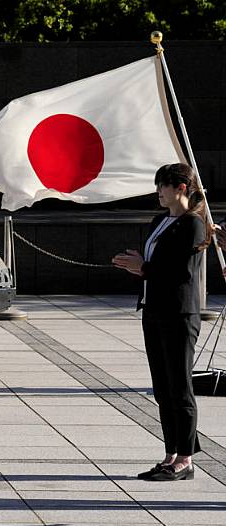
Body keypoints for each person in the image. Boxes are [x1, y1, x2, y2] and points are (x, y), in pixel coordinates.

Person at [112, 163, 210, 481]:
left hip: (180, 313)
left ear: (181, 187)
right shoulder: (160, 221)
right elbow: (156, 264)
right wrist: (140, 266)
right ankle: (171, 452)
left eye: (163, 186)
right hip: (154, 309)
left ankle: (185, 459)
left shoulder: (193, 224)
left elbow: (181, 273)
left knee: (179, 386)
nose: (158, 192)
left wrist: (145, 268)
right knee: (163, 388)